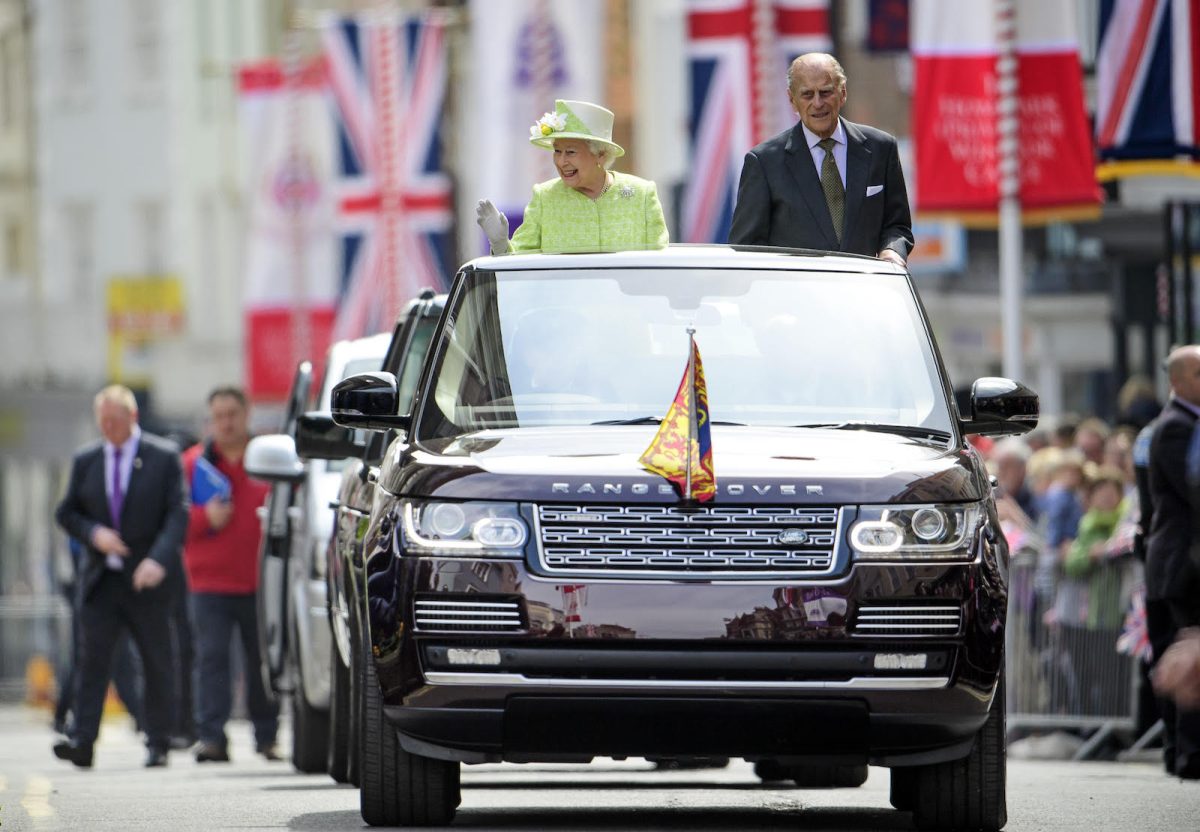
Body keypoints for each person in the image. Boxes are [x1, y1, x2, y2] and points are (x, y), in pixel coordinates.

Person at [52, 385, 188, 769]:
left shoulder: (163, 457)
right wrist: (94, 534)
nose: (109, 428)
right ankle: (82, 740)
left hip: (147, 579)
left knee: (157, 659)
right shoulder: (87, 459)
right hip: (101, 580)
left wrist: (158, 560)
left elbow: (177, 513)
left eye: (116, 420)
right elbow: (66, 512)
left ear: (133, 418)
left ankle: (158, 740)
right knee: (91, 661)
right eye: (103, 422)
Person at [728, 53, 913, 264]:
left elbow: (897, 225)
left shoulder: (881, 148)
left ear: (842, 94)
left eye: (825, 92)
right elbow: (746, 248)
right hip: (797, 294)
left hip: (864, 290)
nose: (818, 103)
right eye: (807, 94)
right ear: (792, 100)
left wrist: (891, 252)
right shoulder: (764, 163)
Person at [182, 386, 277, 763]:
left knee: (261, 661)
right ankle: (212, 737)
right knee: (212, 660)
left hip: (260, 580)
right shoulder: (193, 464)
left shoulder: (267, 458)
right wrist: (207, 518)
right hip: (209, 583)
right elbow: (173, 520)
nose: (226, 423)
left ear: (247, 414)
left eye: (232, 414)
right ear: (210, 420)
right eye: (218, 416)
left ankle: (267, 736)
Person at [475, 99, 668, 254]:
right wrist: (500, 245)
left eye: (571, 152)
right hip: (562, 303)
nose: (561, 161)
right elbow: (517, 265)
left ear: (600, 154)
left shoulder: (642, 194)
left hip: (627, 302)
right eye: (557, 151)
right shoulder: (545, 198)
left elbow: (660, 266)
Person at [1145, 345, 1200, 778]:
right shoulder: (1178, 427)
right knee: (1185, 654)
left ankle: (1179, 751)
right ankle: (1188, 753)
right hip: (1181, 563)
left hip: (1175, 562)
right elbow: (1191, 491)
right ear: (1181, 380)